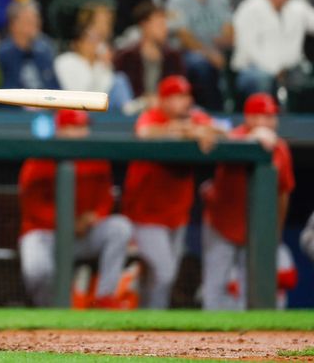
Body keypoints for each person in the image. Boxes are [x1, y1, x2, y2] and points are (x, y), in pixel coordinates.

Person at [123, 75, 221, 309]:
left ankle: (146, 324)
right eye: (177, 96)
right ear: (163, 101)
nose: (185, 101)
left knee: (163, 274)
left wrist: (201, 130)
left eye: (187, 95)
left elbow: (222, 130)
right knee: (164, 272)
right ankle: (152, 322)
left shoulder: (194, 118)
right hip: (146, 213)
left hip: (177, 213)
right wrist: (181, 130)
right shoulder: (153, 116)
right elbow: (144, 132)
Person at [19, 109, 132, 308]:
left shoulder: (95, 156)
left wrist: (95, 216)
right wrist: (67, 223)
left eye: (83, 127)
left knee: (120, 227)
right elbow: (32, 205)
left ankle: (104, 299)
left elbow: (105, 197)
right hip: (47, 234)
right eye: (75, 127)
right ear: (61, 130)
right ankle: (50, 311)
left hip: (83, 235)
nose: (82, 132)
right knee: (37, 270)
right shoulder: (40, 159)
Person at [201, 93, 295, 310]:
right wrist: (251, 139)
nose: (269, 122)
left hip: (255, 229)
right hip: (221, 225)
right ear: (249, 117)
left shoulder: (280, 148)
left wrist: (276, 231)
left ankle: (249, 342)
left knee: (250, 287)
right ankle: (204, 342)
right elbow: (215, 142)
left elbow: (283, 193)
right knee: (214, 286)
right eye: (263, 116)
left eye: (272, 116)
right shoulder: (233, 137)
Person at [231, 0, 314, 98]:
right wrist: (275, 69)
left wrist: (282, 70)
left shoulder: (297, 7)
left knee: (303, 78)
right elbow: (249, 48)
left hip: (289, 69)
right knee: (261, 79)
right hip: (253, 69)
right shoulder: (249, 9)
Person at [167, 0, 233, 110]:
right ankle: (211, 111)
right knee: (200, 65)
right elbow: (184, 37)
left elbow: (229, 31)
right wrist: (208, 53)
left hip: (220, 52)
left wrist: (223, 41)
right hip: (190, 53)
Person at [55, 9, 133, 112]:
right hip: (76, 108)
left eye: (96, 40)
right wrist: (93, 65)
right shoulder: (65, 61)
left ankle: (129, 112)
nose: (93, 45)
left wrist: (104, 64)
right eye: (89, 40)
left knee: (119, 79)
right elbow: (78, 94)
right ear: (77, 43)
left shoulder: (98, 62)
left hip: (101, 108)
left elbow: (104, 91)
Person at [114, 2, 185, 103]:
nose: (165, 29)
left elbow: (180, 89)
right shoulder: (126, 57)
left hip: (166, 110)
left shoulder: (173, 58)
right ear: (144, 25)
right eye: (160, 24)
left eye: (165, 24)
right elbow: (123, 97)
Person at [0, 1, 59, 91]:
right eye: (28, 19)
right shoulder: (2, 53)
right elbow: (4, 89)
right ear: (13, 24)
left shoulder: (45, 49)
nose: (36, 23)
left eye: (36, 18)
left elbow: (54, 85)